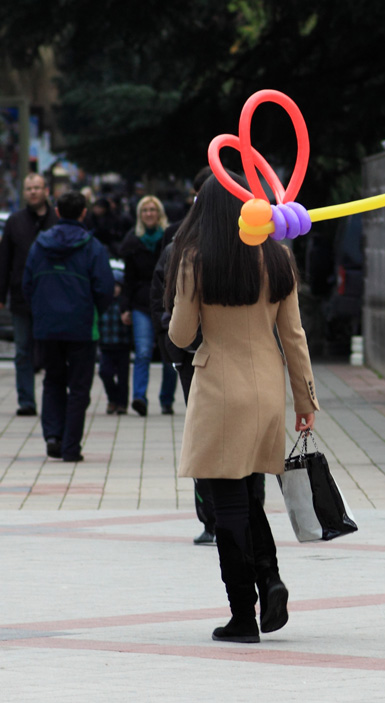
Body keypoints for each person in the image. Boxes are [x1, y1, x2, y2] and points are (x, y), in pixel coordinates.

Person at [167, 175, 319, 643]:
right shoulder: (277, 255)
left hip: (218, 390)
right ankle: (270, 579)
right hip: (268, 389)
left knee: (226, 502)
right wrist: (306, 400)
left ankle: (242, 616)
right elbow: (294, 336)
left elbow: (179, 333)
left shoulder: (196, 259)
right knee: (250, 495)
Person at [152, 165, 219, 545]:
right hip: (216, 358)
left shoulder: (182, 247)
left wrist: (175, 345)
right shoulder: (262, 245)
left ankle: (217, 520)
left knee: (204, 437)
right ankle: (224, 519)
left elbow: (170, 314)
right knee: (224, 440)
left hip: (197, 354)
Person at [22, 191, 114, 463]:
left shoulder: (40, 244)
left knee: (52, 380)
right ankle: (71, 447)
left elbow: (27, 284)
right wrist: (93, 310)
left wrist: (40, 310)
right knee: (79, 387)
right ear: (83, 213)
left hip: (47, 326)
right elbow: (105, 288)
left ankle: (53, 436)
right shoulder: (93, 247)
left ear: (57, 212)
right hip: (82, 327)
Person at [0, 173, 58, 417]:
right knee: (23, 350)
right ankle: (26, 400)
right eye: (29, 188)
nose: (32, 192)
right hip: (21, 296)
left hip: (52, 298)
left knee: (50, 350)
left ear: (46, 191)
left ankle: (52, 397)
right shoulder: (15, 221)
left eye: (37, 188)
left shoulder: (57, 220)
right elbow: (4, 260)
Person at [120, 195, 175, 416]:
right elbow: (128, 279)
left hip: (167, 302)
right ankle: (139, 397)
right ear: (139, 215)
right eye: (145, 210)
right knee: (142, 352)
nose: (149, 214)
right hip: (141, 303)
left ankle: (166, 399)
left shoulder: (170, 239)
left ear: (159, 213)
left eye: (153, 210)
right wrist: (125, 307)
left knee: (169, 354)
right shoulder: (133, 242)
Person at [98, 268, 131, 415]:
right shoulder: (102, 303)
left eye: (117, 285)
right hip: (105, 346)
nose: (114, 289)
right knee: (105, 372)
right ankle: (113, 398)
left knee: (123, 377)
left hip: (122, 345)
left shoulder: (124, 304)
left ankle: (122, 404)